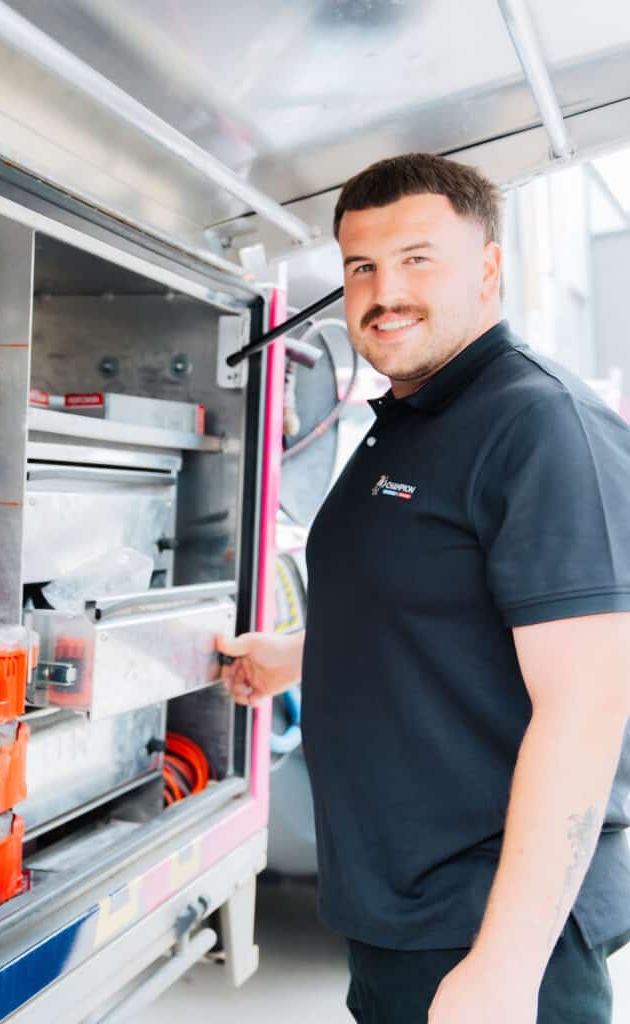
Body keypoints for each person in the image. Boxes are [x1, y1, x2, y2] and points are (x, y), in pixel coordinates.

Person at [217, 153, 630, 1024]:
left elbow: (587, 708)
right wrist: (293, 659)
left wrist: (504, 971)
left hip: (489, 932)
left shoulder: (538, 425)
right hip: (397, 914)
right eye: (361, 266)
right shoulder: (409, 419)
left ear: (487, 269)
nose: (383, 290)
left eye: (416, 259)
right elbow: (431, 614)